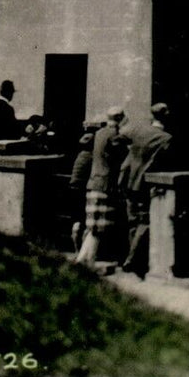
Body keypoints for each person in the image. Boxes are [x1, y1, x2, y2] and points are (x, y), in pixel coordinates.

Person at [119, 103, 173, 279]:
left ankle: (132, 260)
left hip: (128, 181)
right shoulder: (165, 138)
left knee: (133, 221)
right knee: (144, 222)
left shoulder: (138, 131)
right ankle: (132, 260)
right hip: (144, 184)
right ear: (165, 116)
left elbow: (120, 139)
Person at [75, 106, 128, 269]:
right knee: (98, 227)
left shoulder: (99, 133)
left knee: (93, 226)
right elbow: (123, 157)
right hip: (106, 186)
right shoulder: (115, 136)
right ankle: (84, 260)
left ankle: (84, 259)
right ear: (119, 118)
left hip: (93, 183)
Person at [66, 120, 100, 251]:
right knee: (85, 219)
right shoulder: (91, 156)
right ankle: (80, 248)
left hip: (73, 188)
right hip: (82, 189)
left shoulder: (81, 155)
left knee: (76, 219)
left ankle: (75, 246)